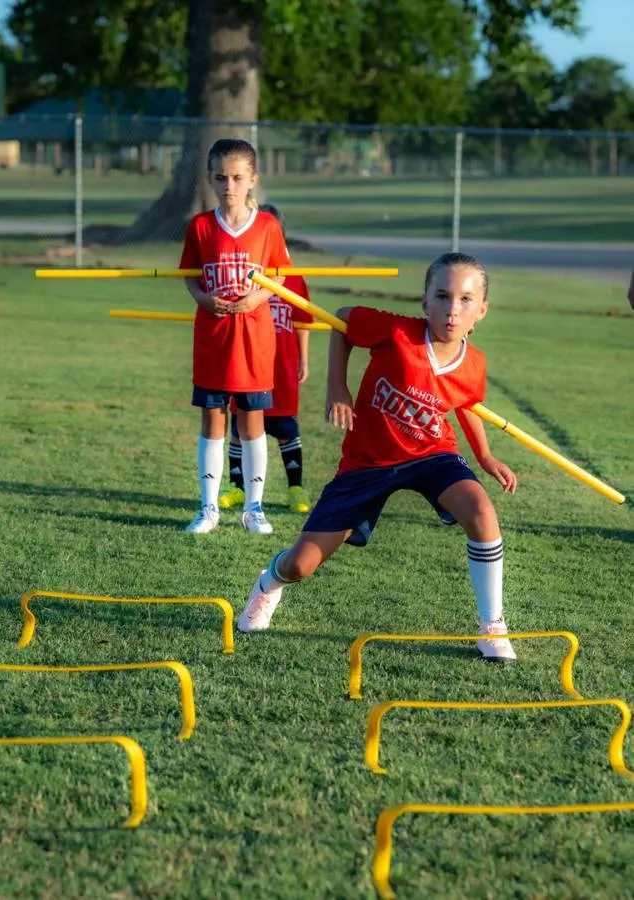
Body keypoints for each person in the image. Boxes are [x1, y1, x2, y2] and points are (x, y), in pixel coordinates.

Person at [237, 251, 519, 662]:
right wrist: (337, 387)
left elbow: (467, 405)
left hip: (431, 453)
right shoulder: (397, 332)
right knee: (301, 566)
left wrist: (486, 456)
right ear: (425, 302)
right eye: (442, 296)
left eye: (465, 300)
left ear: (482, 311)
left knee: (480, 510)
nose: (452, 310)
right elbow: (342, 319)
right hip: (367, 463)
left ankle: (492, 626)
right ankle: (269, 584)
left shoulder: (474, 364)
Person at [179, 138, 290, 535]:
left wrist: (256, 297)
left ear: (253, 180)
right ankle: (208, 508)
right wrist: (205, 299)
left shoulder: (267, 226)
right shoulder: (201, 226)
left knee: (252, 421)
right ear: (210, 180)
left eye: (237, 177)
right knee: (213, 419)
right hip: (213, 338)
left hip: (254, 340)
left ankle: (253, 507)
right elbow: (190, 277)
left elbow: (278, 275)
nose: (229, 185)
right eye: (221, 177)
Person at [219, 203, 314, 515]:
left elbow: (302, 322)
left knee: (286, 425)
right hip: (247, 362)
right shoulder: (242, 276)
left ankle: (295, 487)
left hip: (282, 366)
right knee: (240, 426)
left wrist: (303, 359)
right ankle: (236, 486)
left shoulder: (294, 279)